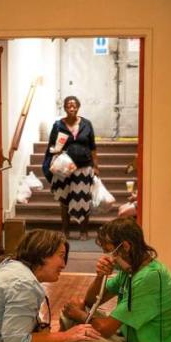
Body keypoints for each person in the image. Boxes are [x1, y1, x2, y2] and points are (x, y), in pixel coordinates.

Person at [41, 95, 100, 240]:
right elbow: (52, 146)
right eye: (68, 105)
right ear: (65, 108)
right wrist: (57, 151)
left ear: (78, 107)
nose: (72, 108)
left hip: (84, 167)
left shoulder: (87, 124)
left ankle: (83, 231)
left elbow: (92, 147)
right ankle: (65, 231)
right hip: (65, 168)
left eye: (74, 105)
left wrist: (96, 166)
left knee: (84, 200)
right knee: (64, 200)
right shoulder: (58, 125)